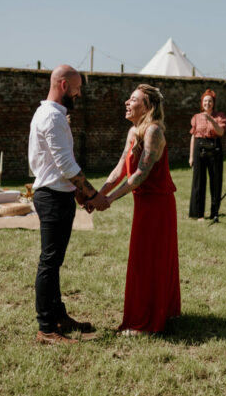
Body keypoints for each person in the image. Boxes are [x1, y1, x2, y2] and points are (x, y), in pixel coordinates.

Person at [28, 64, 109, 345]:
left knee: (55, 261)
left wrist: (76, 193)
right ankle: (46, 327)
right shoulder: (52, 117)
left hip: (56, 193)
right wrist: (92, 194)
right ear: (63, 85)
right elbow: (64, 165)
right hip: (52, 197)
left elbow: (55, 165)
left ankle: (58, 316)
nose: (79, 94)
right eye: (77, 88)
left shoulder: (49, 114)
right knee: (49, 262)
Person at [95, 84, 181, 335]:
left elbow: (141, 175)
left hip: (157, 205)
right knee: (143, 259)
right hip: (143, 204)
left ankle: (147, 323)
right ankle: (157, 311)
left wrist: (110, 200)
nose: (127, 102)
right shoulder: (134, 131)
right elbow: (120, 167)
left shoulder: (153, 131)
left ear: (148, 107)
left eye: (133, 100)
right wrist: (97, 195)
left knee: (148, 261)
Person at [188, 89, 226, 222]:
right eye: (205, 101)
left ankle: (214, 212)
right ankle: (198, 214)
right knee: (199, 181)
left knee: (215, 181)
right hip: (199, 147)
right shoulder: (196, 117)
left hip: (215, 147)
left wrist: (211, 120)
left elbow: (221, 132)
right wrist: (191, 156)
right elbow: (193, 137)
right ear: (202, 103)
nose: (207, 103)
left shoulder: (220, 116)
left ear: (213, 103)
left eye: (210, 101)